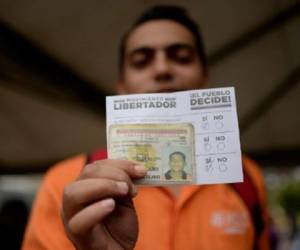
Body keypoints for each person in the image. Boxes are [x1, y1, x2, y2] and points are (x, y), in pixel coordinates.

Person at [22, 5, 270, 250]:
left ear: (205, 77)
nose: (162, 69)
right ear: (122, 86)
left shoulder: (247, 178)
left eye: (182, 57)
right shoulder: (64, 183)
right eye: (141, 61)